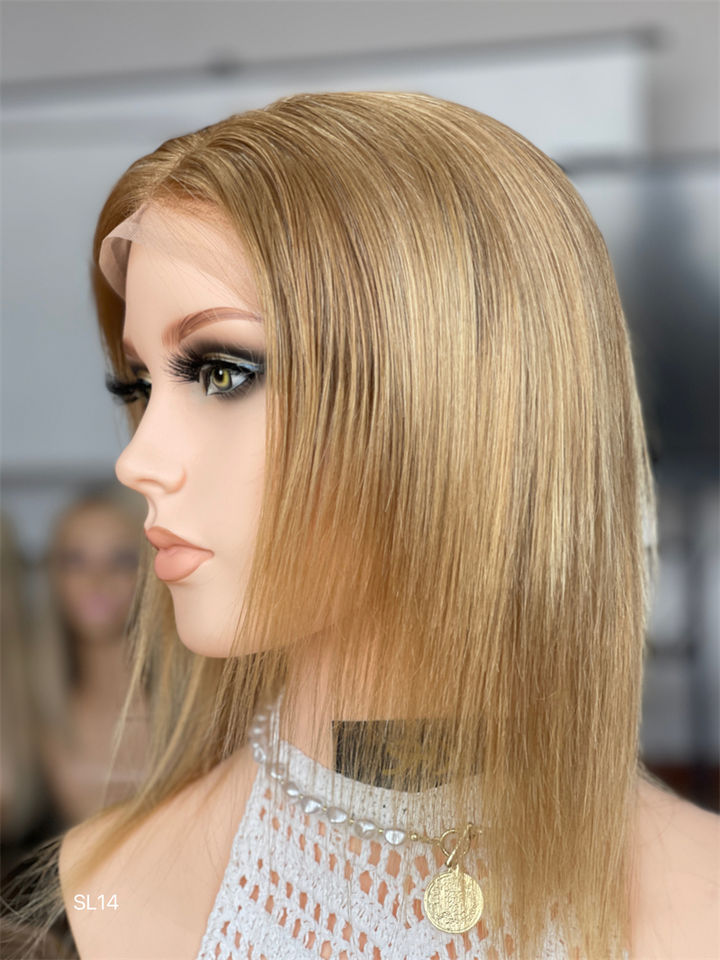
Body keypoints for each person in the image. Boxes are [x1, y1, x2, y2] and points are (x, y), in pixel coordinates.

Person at [9, 91, 717, 960]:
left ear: (451, 395)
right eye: (139, 385)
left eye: (224, 372)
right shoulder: (114, 887)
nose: (137, 459)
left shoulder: (700, 896)